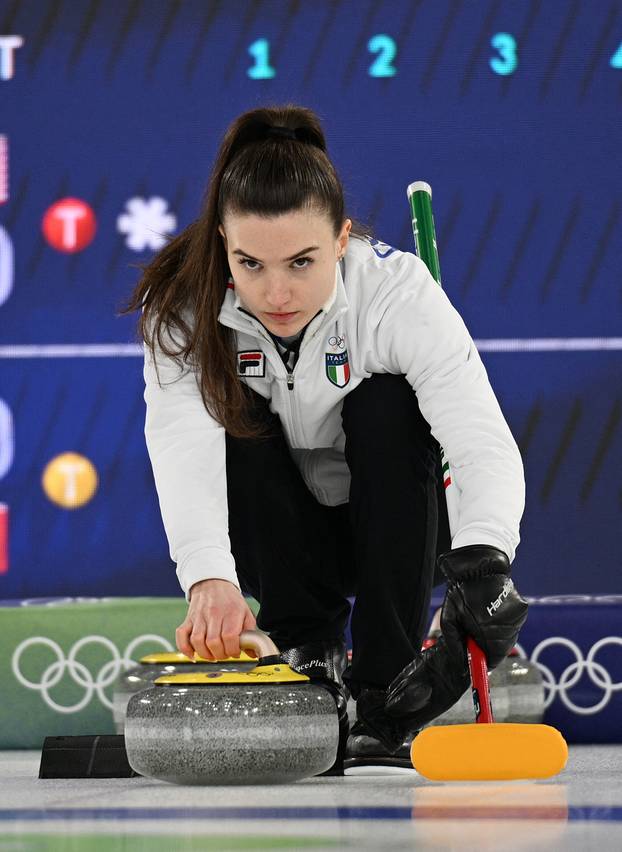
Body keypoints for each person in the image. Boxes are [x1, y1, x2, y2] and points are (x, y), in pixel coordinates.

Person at [121, 103, 529, 774]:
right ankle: (308, 650)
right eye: (250, 263)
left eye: (302, 262)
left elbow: (479, 437)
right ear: (221, 243)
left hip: (404, 535)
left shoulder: (396, 293)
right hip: (280, 545)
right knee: (235, 417)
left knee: (386, 401)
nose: (276, 292)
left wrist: (486, 563)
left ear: (342, 240)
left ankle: (384, 679)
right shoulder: (183, 308)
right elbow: (180, 444)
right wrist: (208, 579)